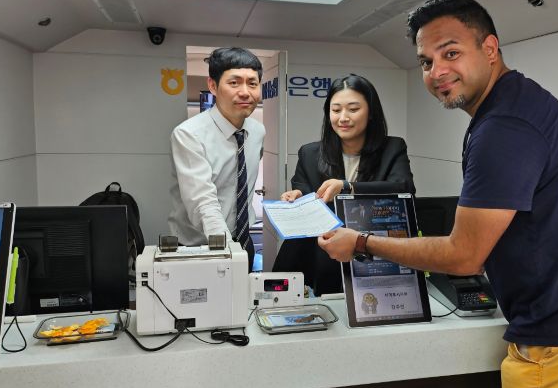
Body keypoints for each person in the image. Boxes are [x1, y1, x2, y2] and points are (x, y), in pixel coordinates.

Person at [318, 0, 558, 388]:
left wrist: (362, 242)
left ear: (490, 49)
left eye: (451, 53)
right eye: (426, 61)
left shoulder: (503, 129)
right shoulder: (522, 100)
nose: (437, 72)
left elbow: (464, 256)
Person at [273, 74, 415, 295]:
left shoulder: (393, 148)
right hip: (320, 257)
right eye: (336, 110)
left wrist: (347, 187)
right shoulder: (310, 153)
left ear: (371, 113)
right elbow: (303, 192)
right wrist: (297, 197)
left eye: (353, 109)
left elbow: (403, 189)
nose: (343, 118)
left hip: (373, 256)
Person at [168, 47, 264, 271]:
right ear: (213, 86)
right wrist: (230, 254)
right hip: (199, 249)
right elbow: (203, 203)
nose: (245, 92)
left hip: (243, 241)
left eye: (252, 83)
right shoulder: (189, 134)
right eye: (234, 83)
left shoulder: (258, 131)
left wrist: (239, 251)